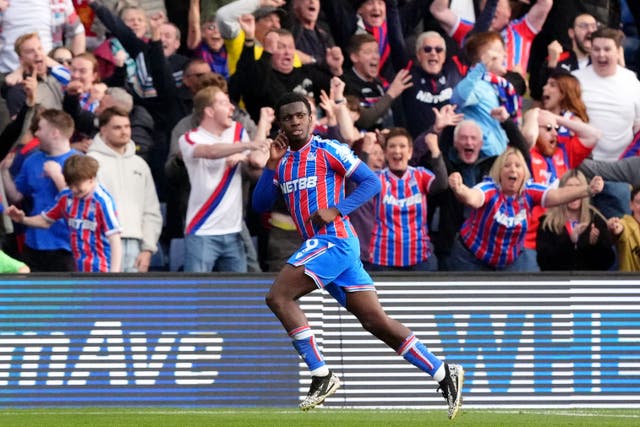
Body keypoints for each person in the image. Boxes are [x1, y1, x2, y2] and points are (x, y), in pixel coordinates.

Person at [252, 92, 464, 418]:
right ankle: (442, 372)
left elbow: (371, 183)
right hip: (329, 248)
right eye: (288, 117)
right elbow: (260, 205)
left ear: (311, 118)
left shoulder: (328, 149)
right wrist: (270, 164)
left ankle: (321, 374)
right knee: (374, 321)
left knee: (278, 296)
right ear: (280, 122)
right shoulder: (284, 162)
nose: (294, 121)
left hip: (334, 240)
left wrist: (337, 209)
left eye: (300, 115)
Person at [448, 146, 605, 271]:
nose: (513, 170)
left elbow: (556, 196)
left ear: (524, 173)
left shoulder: (530, 190)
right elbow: (473, 199)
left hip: (510, 261)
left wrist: (587, 190)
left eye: (518, 166)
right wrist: (460, 189)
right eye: (507, 166)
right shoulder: (490, 188)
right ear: (499, 172)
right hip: (471, 258)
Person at [179, 85, 269, 273]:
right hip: (202, 230)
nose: (232, 108)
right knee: (196, 294)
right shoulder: (189, 138)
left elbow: (257, 160)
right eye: (224, 103)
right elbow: (210, 151)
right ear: (209, 111)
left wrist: (262, 125)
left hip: (234, 230)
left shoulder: (237, 131)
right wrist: (246, 145)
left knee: (237, 296)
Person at [7, 155, 122, 273]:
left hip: (102, 269)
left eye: (78, 186)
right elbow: (45, 221)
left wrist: (114, 275)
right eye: (70, 186)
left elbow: (115, 239)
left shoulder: (102, 201)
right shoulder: (66, 197)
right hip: (77, 268)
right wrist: (23, 219)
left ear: (91, 179)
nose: (74, 190)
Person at [1, 108, 79, 272]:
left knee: (64, 296)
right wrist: (5, 171)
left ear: (54, 133)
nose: (36, 133)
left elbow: (81, 203)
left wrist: (58, 177)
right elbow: (16, 195)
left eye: (40, 128)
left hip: (66, 246)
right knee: (34, 295)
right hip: (34, 243)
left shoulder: (79, 161)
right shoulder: (32, 160)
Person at [88, 107, 162, 273]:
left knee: (132, 298)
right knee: (103, 297)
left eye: (127, 126)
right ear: (103, 130)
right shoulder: (91, 162)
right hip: (101, 242)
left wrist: (148, 249)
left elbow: (151, 210)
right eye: (117, 127)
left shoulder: (140, 165)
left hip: (136, 243)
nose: (124, 132)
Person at [368, 128, 447, 271]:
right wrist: (365, 151)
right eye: (392, 146)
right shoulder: (377, 177)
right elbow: (356, 183)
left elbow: (441, 185)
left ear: (410, 152)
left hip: (420, 256)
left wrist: (435, 151)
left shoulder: (421, 174)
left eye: (402, 146)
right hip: (383, 257)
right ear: (385, 153)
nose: (397, 151)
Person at [536, 169, 615, 271]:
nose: (574, 193)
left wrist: (594, 245)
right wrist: (571, 241)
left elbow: (608, 261)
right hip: (559, 282)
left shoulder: (596, 219)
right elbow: (543, 262)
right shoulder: (548, 222)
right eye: (569, 187)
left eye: (578, 187)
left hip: (588, 283)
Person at [529, 13, 598, 102]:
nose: (590, 30)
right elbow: (538, 95)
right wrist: (552, 66)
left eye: (594, 26)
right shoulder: (557, 58)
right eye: (584, 26)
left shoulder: (600, 62)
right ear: (571, 33)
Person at [607, 186, 640, 272]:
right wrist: (615, 227)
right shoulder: (626, 224)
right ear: (631, 205)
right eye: (639, 202)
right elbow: (620, 228)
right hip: (631, 283)